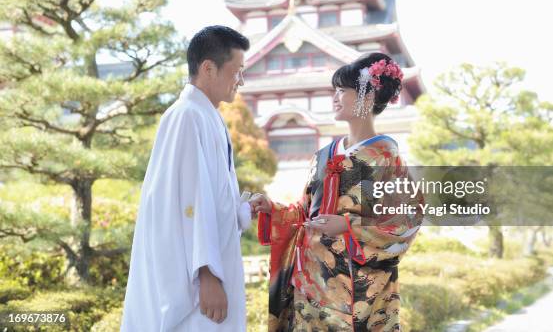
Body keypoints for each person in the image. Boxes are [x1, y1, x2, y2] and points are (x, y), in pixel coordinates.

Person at [250, 53, 424, 332]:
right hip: (310, 283)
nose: (335, 96)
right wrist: (274, 209)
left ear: (367, 97)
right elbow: (306, 211)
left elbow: (408, 217)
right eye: (335, 90)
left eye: (343, 90)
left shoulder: (385, 157)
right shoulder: (323, 155)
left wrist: (347, 224)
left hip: (359, 289)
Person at [121, 25, 254, 331]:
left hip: (211, 266)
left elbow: (213, 198)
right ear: (209, 68)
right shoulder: (186, 116)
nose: (241, 80)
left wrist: (242, 208)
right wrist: (206, 274)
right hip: (197, 280)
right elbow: (189, 202)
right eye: (237, 71)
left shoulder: (208, 115)